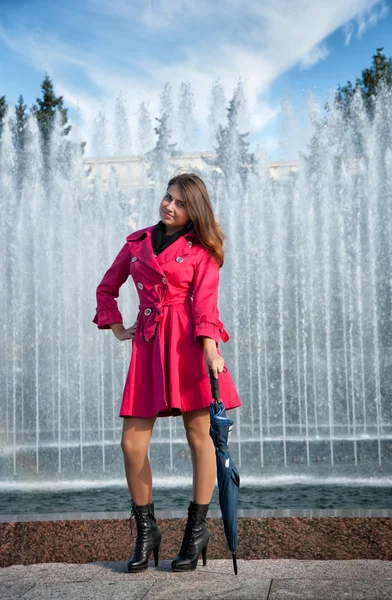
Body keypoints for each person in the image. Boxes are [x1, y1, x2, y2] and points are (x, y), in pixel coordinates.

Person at [93, 172, 241, 573]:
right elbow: (106, 287)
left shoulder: (202, 250)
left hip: (189, 346)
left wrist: (211, 350)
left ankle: (197, 531)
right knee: (131, 444)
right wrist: (116, 326)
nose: (168, 206)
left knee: (199, 437)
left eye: (178, 202)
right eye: (166, 197)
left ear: (193, 210)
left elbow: (206, 304)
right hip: (148, 345)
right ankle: (146, 531)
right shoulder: (137, 243)